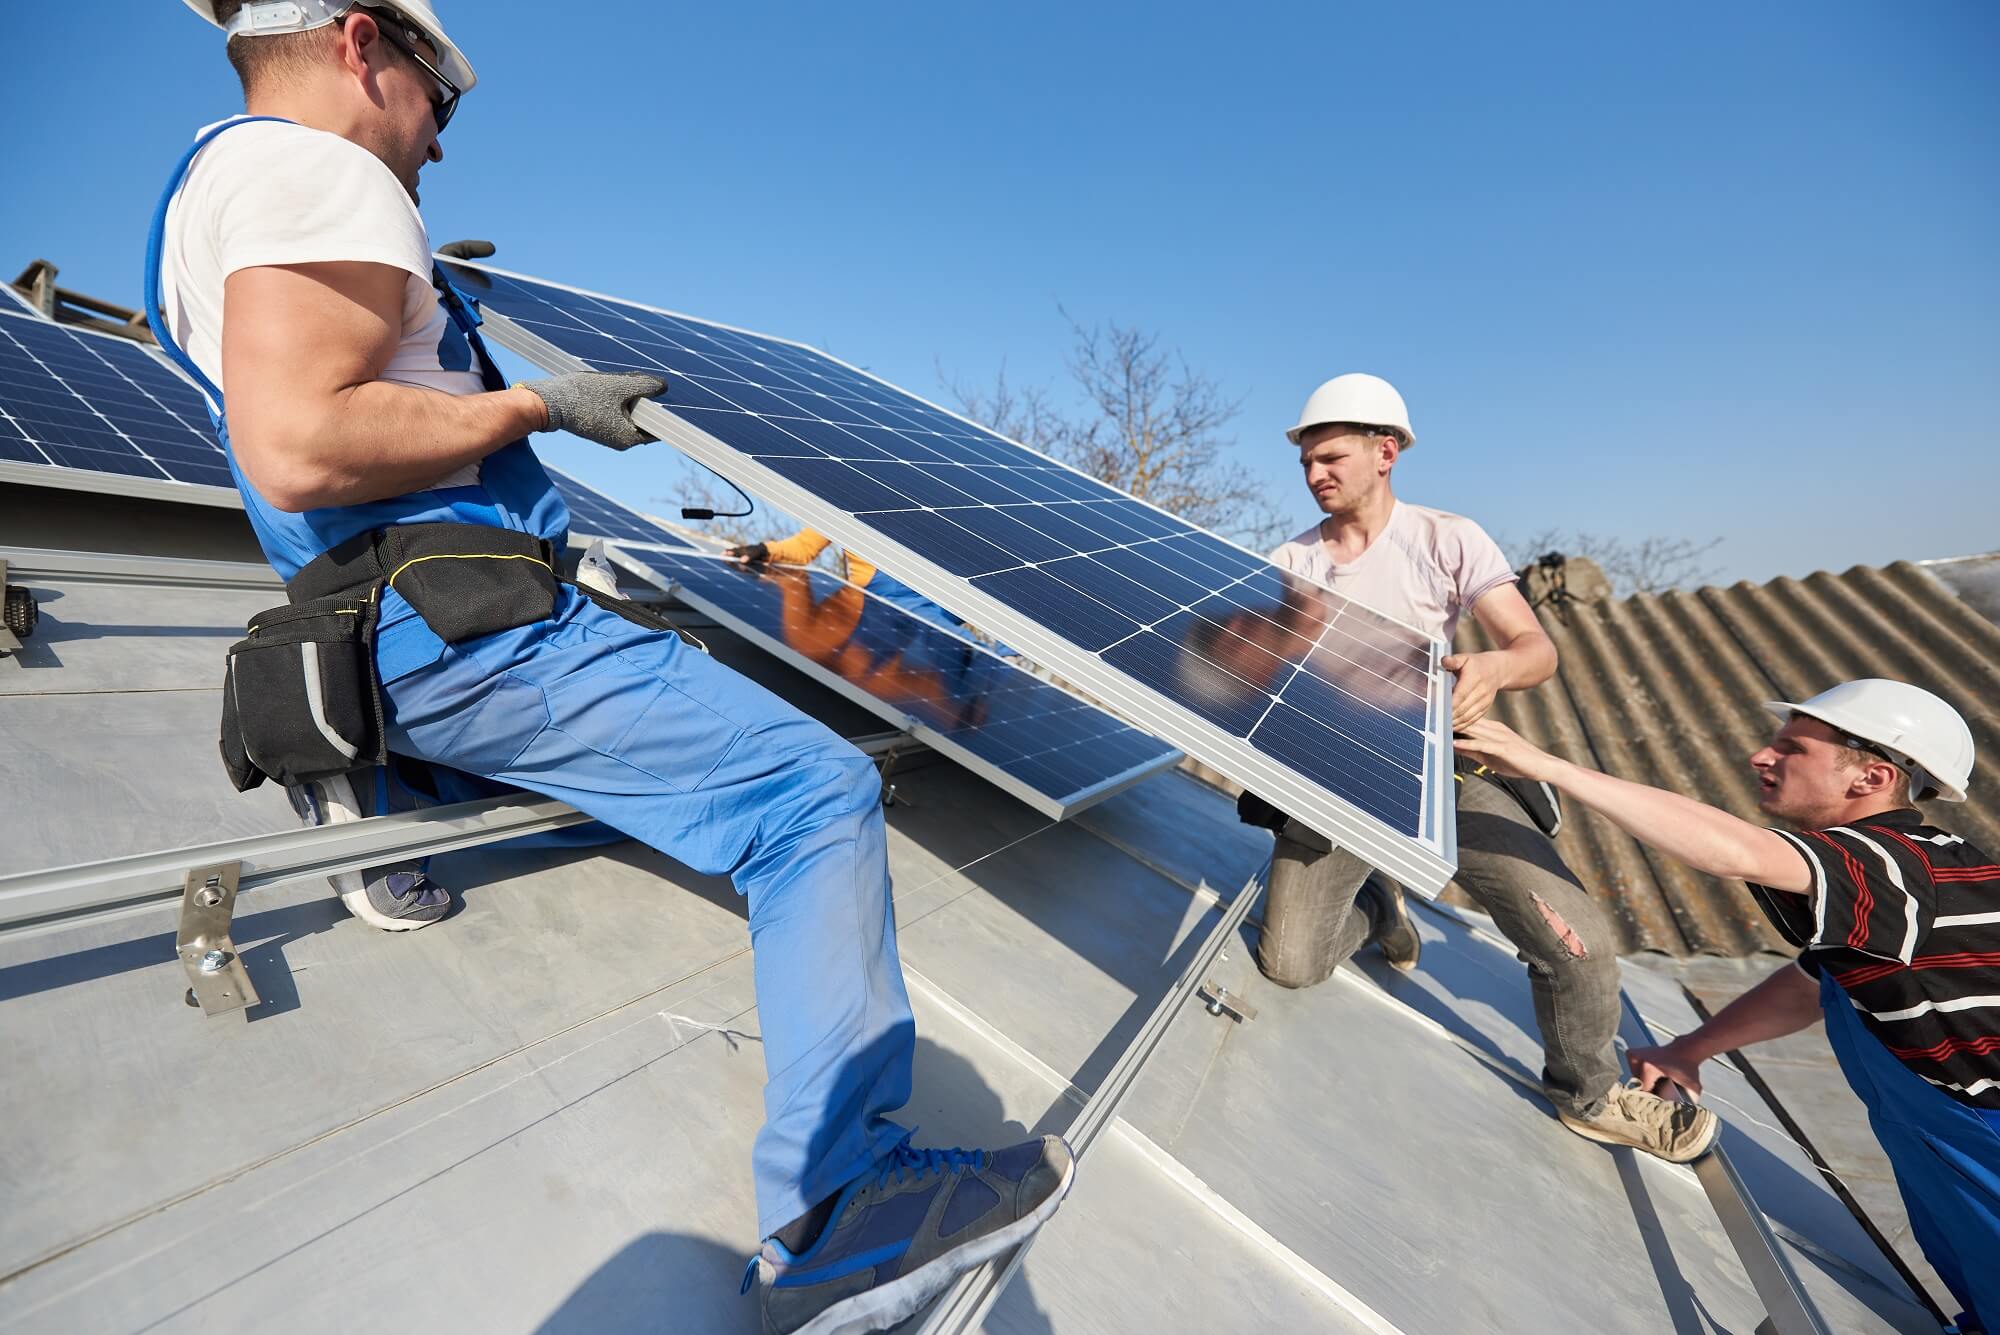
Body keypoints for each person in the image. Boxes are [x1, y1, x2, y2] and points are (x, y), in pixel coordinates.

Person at [154, 5, 1071, 1330]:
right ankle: (839, 1207)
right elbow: (301, 441)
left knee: (663, 710)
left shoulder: (203, 192)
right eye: (439, 101)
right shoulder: (315, 170)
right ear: (364, 43)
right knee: (812, 795)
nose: (437, 145)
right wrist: (534, 404)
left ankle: (394, 793)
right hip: (478, 622)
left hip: (374, 635)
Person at [1238, 373, 1718, 1161]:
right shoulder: (1292, 560)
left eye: (1330, 457)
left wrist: (1494, 669)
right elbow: (1265, 667)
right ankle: (1381, 905)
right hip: (1340, 774)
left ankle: (1591, 1090)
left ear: (1384, 451)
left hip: (1442, 765)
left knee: (1581, 943)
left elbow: (1538, 650)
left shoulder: (1446, 539)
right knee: (1289, 962)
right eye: (1307, 462)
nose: (1314, 474)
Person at [1456, 681, 1996, 1333]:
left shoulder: (1891, 869)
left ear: (1874, 776)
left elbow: (1735, 850)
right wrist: (1691, 1048)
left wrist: (1548, 767)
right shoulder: (1908, 880)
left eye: (1792, 748)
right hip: (1949, 1162)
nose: (1761, 758)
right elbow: (1816, 982)